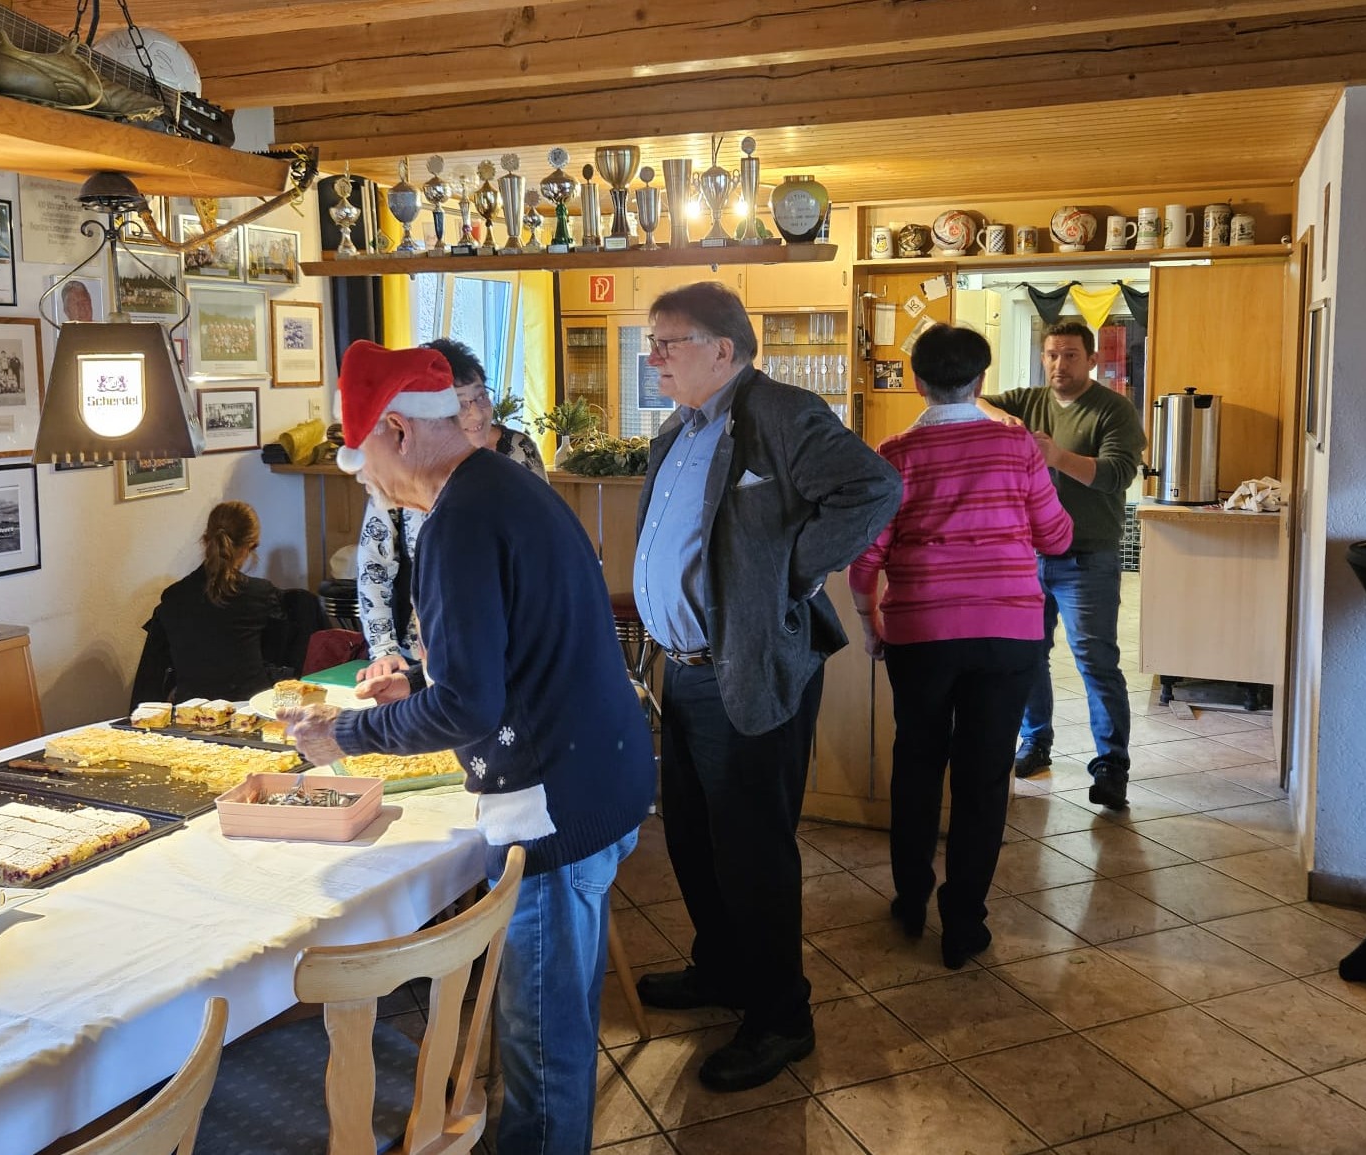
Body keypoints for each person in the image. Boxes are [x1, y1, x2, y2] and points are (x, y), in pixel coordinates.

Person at [282, 341, 652, 1155]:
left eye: (361, 460)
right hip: (602, 768)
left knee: (540, 1039)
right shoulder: (504, 482)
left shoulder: (455, 520)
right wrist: (416, 682)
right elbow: (502, 657)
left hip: (554, 798)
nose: (365, 481)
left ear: (399, 434)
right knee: (560, 1015)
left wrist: (342, 733)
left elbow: (467, 705)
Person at [632, 282, 902, 1092]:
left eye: (666, 342)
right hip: (680, 672)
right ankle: (719, 968)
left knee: (751, 851)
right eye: (650, 342)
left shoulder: (779, 411)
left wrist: (787, 568)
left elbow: (872, 489)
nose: (652, 358)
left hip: (743, 666)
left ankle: (781, 1015)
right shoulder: (675, 433)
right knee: (689, 836)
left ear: (724, 347)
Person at [850, 326, 1073, 968]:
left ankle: (911, 896)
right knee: (983, 776)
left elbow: (868, 556)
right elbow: (1055, 537)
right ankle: (964, 923)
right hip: (1007, 636)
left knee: (916, 762)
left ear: (918, 381)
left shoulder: (894, 454)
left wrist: (869, 617)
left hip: (921, 632)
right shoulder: (1016, 447)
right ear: (980, 380)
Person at [979, 319, 1146, 809]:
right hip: (1027, 555)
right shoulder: (1029, 400)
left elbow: (1117, 476)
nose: (1058, 364)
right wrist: (1000, 419)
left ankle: (1111, 765)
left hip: (1088, 557)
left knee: (1096, 661)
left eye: (1070, 355)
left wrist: (1056, 456)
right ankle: (1036, 744)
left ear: (1092, 360)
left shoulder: (1113, 410)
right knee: (1027, 656)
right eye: (1051, 354)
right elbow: (977, 400)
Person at [355, 337, 545, 675]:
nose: (476, 413)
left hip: (509, 649)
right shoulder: (402, 467)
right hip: (424, 653)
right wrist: (384, 650)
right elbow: (375, 565)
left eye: (481, 397)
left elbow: (538, 557)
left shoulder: (515, 453)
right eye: (461, 403)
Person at [130, 501, 285, 705]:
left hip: (192, 710)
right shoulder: (262, 594)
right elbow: (279, 655)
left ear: (205, 540)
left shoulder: (173, 597)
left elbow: (153, 670)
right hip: (249, 708)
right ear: (251, 546)